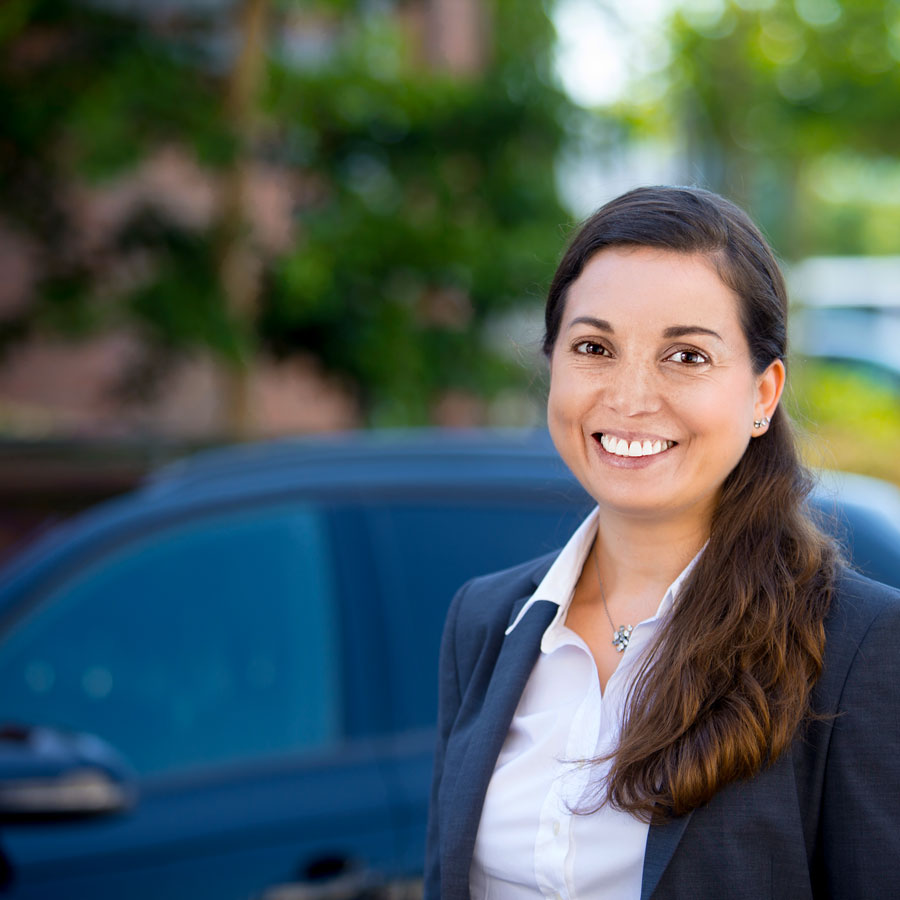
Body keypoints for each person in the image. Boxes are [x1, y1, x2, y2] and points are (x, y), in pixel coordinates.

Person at [424, 186, 900, 899]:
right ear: (552, 363)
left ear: (763, 395)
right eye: (594, 347)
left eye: (686, 356)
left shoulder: (860, 644)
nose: (630, 395)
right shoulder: (486, 621)